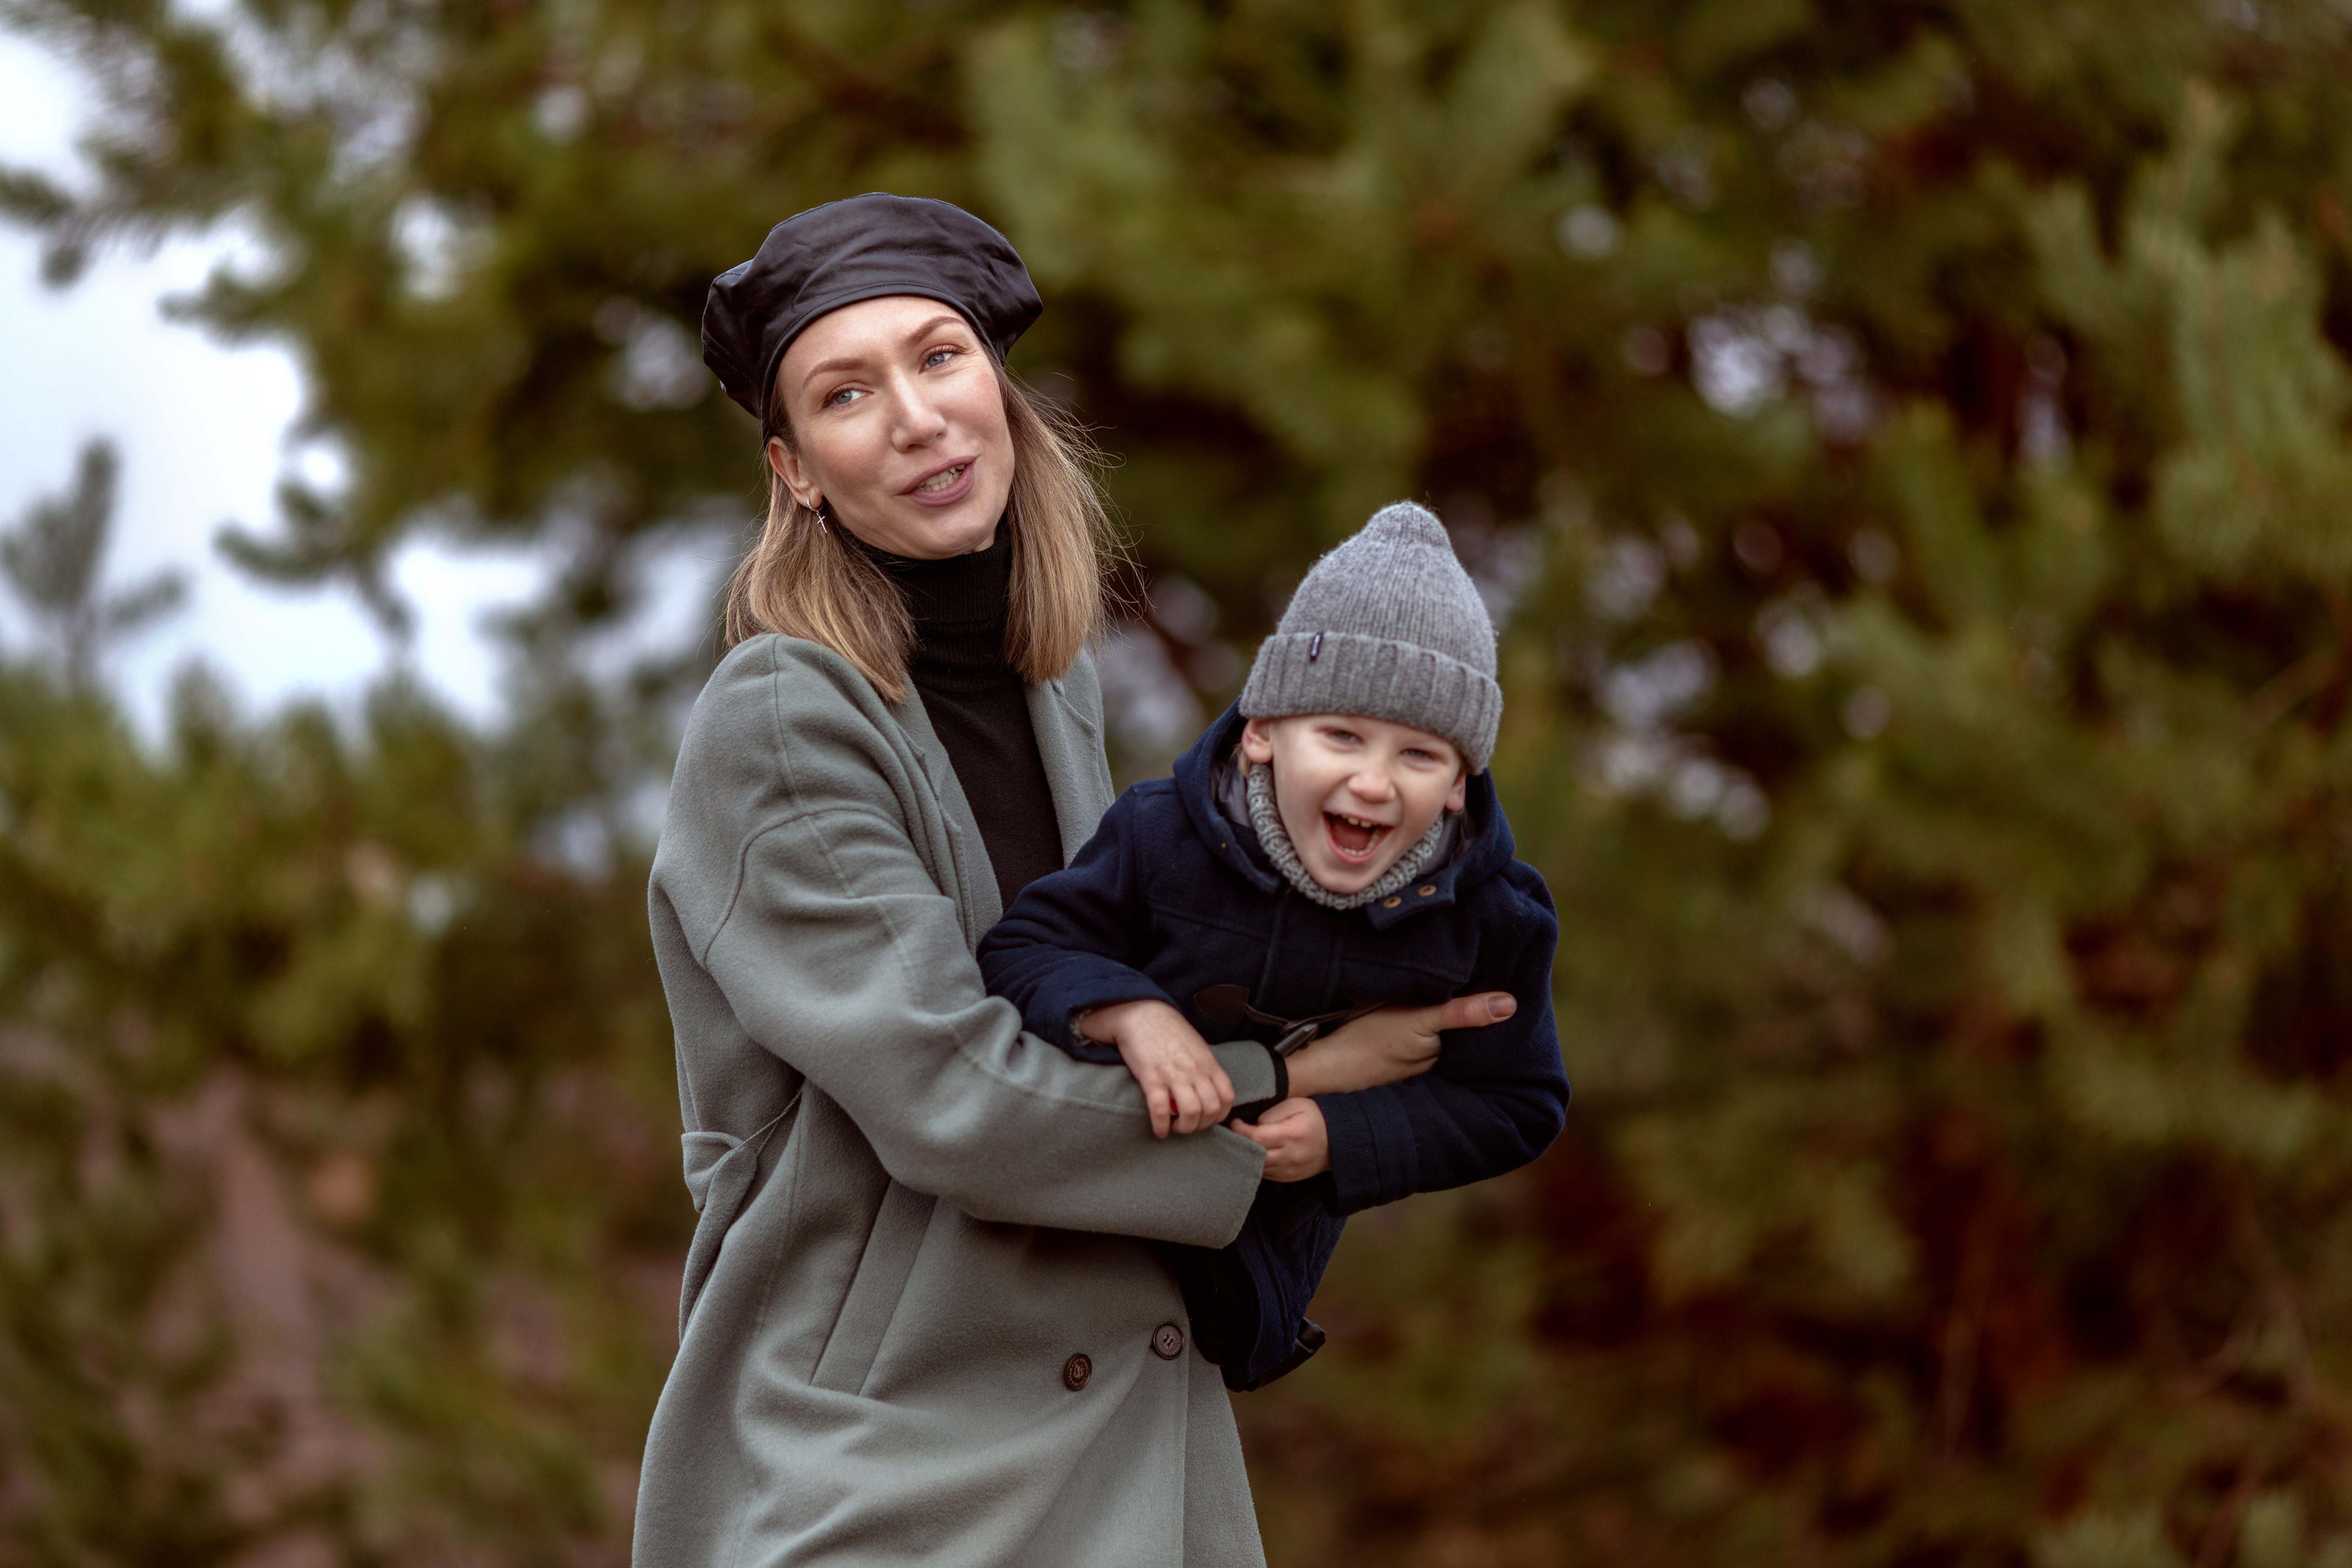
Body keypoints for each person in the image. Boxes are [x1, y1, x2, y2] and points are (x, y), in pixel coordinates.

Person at [634, 193, 1517, 1568]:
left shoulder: (1058, 689)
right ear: (796, 468)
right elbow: (958, 1092)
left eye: (938, 357)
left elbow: (1098, 993)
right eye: (846, 391)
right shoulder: (785, 717)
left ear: (998, 387)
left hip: (1131, 1426)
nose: (916, 415)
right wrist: (1300, 1083)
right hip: (889, 1464)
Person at [978, 502, 1570, 1392]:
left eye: (1419, 755)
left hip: (1250, 1270)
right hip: (1088, 1206)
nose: (1371, 781)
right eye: (1340, 736)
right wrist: (1129, 1011)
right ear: (1261, 733)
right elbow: (1022, 948)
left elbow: (1517, 1102)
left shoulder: (1490, 917)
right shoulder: (1161, 836)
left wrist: (1346, 1135)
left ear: (1458, 785)